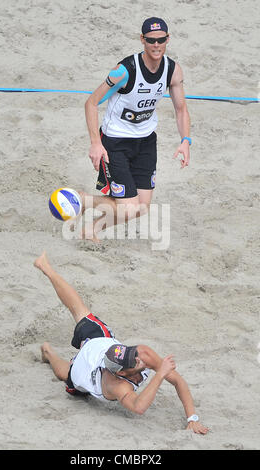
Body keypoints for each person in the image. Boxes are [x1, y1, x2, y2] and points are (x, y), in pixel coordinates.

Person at [34, 252, 208, 434]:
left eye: (132, 353)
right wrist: (160, 374)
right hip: (84, 370)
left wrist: (192, 418)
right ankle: (49, 353)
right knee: (66, 373)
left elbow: (178, 381)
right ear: (122, 372)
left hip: (99, 342)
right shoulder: (116, 385)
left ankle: (46, 267)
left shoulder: (141, 353)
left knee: (79, 309)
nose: (139, 359)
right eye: (134, 361)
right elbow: (139, 407)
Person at [78, 16, 191, 241]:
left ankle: (89, 223)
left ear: (168, 39)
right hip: (115, 142)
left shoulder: (172, 70)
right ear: (142, 40)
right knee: (129, 207)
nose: (156, 45)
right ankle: (84, 205)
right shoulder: (125, 70)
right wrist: (95, 143)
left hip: (146, 140)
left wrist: (186, 141)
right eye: (151, 40)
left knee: (142, 206)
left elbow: (181, 109)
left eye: (161, 40)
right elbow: (91, 103)